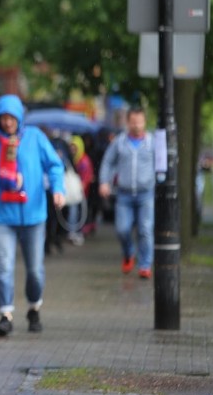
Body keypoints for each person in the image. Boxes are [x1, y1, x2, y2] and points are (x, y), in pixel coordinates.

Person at [0, 94, 65, 337]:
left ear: (19, 117)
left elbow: (54, 165)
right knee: (4, 266)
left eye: (11, 117)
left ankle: (34, 307)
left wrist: (58, 189)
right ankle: (5, 314)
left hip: (34, 215)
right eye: (2, 117)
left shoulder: (35, 137)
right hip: (2, 216)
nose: (7, 122)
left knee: (35, 269)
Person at [98, 107, 155, 278]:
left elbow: (161, 166)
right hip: (124, 194)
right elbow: (108, 162)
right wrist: (104, 182)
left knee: (145, 229)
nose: (137, 126)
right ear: (128, 122)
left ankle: (145, 264)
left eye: (139, 122)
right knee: (122, 229)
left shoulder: (152, 142)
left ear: (144, 122)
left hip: (146, 194)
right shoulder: (120, 142)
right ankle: (129, 253)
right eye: (133, 122)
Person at [66, 135, 94, 246]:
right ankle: (73, 231)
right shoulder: (72, 159)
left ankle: (76, 232)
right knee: (74, 212)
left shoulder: (84, 160)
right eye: (71, 147)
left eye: (74, 147)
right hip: (74, 192)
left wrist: (81, 187)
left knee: (77, 212)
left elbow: (87, 177)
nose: (73, 149)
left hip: (80, 192)